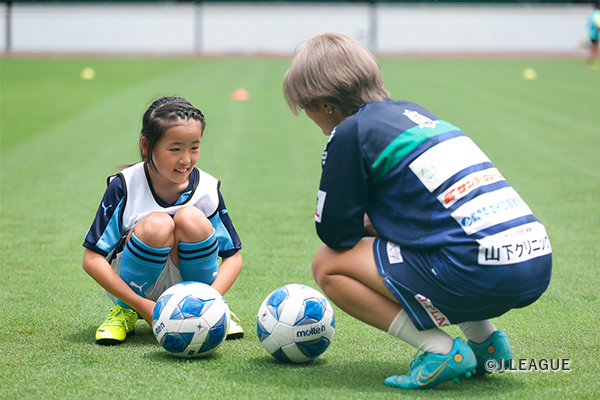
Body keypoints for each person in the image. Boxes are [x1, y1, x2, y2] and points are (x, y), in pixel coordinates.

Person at [283, 33, 552, 389]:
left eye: (307, 108)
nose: (310, 117)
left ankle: (438, 348)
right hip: (535, 261)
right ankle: (486, 342)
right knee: (438, 238)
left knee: (328, 264)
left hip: (479, 273)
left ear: (325, 103)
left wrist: (370, 222)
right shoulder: (416, 113)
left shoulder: (351, 132)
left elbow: (335, 233)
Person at [82, 96, 244, 345]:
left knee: (191, 219)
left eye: (194, 147)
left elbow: (233, 257)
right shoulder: (124, 185)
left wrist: (211, 300)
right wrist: (140, 305)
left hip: (194, 286)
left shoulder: (207, 189)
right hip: (135, 286)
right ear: (147, 146)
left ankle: (205, 311)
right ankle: (124, 312)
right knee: (157, 224)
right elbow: (92, 259)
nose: (186, 160)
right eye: (175, 149)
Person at [587, 2, 600, 69]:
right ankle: (591, 61)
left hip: (591, 33)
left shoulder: (592, 13)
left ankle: (591, 61)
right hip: (594, 33)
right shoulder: (597, 13)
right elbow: (597, 23)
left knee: (594, 47)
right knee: (594, 47)